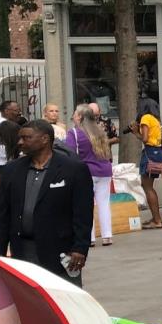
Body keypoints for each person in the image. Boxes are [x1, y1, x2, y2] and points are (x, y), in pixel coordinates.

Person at [0, 119, 93, 285]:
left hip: (60, 253)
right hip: (23, 251)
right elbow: (2, 215)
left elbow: (83, 213)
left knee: (62, 304)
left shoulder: (73, 169)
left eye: (27, 138)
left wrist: (80, 248)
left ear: (45, 139)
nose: (20, 142)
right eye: (20, 138)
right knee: (29, 305)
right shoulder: (11, 170)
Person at [67, 105, 115, 247]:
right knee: (104, 203)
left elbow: (70, 154)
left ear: (80, 117)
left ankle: (90, 237)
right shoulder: (100, 131)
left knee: (86, 205)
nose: (73, 116)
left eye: (75, 114)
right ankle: (107, 236)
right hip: (105, 170)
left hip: (86, 171)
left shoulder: (74, 133)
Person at [131, 97, 162, 229]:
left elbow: (145, 139)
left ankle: (157, 220)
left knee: (147, 187)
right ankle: (155, 217)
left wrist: (135, 132)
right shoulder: (156, 120)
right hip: (158, 153)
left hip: (150, 152)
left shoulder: (145, 117)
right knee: (149, 186)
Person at [0, 99, 24, 173]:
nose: (19, 113)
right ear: (6, 111)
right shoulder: (7, 126)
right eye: (16, 110)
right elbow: (8, 150)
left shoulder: (0, 123)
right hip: (6, 168)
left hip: (0, 167)